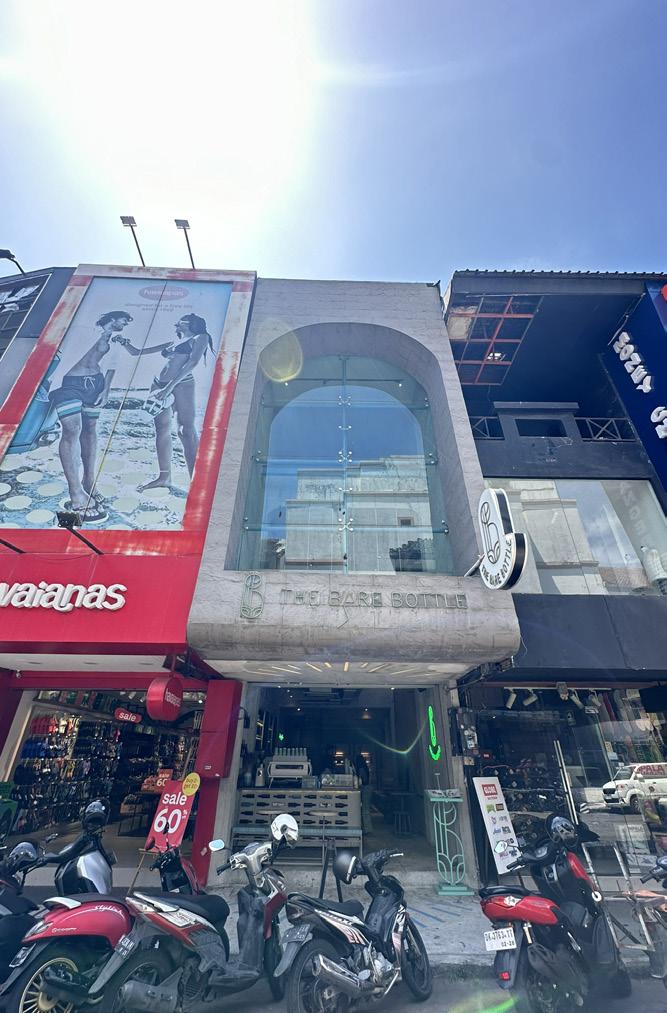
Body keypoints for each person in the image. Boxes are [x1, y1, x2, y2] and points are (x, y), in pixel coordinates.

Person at [49, 310, 133, 523]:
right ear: (113, 318)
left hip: (95, 385)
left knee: (90, 429)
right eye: (124, 320)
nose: (125, 324)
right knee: (72, 429)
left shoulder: (116, 341)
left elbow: (112, 367)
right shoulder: (85, 330)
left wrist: (106, 389)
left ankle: (88, 481)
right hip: (69, 383)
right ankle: (75, 491)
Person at [117, 313, 214, 491]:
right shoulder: (173, 342)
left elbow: (192, 363)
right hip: (158, 384)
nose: (177, 322)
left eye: (182, 320)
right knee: (161, 429)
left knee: (185, 431)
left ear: (190, 323)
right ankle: (164, 477)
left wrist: (169, 388)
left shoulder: (201, 337)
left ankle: (197, 481)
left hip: (181, 385)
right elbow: (137, 352)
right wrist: (124, 342)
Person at [355, 753, 373, 834]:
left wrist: (359, 784)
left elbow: (364, 780)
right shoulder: (364, 767)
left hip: (365, 789)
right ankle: (366, 829)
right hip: (367, 788)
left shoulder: (361, 768)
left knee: (365, 810)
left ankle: (368, 830)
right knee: (365, 810)